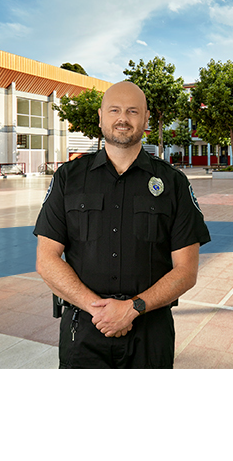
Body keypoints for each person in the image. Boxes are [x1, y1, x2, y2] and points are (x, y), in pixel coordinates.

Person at [34, 81, 210, 368]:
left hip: (150, 332)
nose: (123, 119)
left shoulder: (174, 183)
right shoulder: (68, 178)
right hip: (85, 327)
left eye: (132, 111)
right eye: (114, 110)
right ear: (101, 116)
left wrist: (131, 309)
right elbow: (46, 259)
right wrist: (101, 312)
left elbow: (186, 272)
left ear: (146, 118)